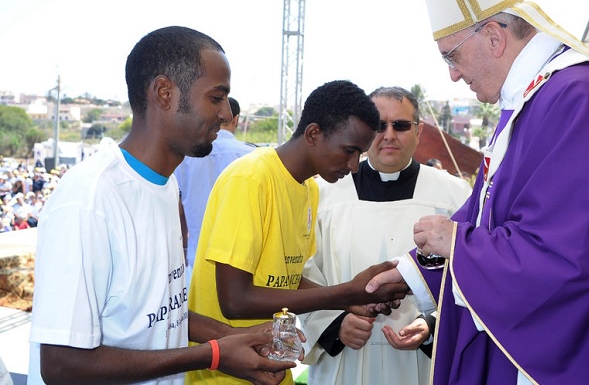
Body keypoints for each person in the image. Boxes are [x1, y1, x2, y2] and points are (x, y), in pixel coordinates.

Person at [366, 0, 589, 383]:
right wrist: (413, 271)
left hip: (581, 357)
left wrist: (455, 243)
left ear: (493, 36)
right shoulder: (535, 100)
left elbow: (577, 258)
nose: (452, 75)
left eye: (452, 56)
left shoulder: (578, 99)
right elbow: (489, 210)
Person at [28, 26, 300, 385]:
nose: (225, 114)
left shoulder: (167, 186)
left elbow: (157, 312)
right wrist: (216, 355)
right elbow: (62, 365)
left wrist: (233, 337)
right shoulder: (89, 200)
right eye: (216, 97)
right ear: (165, 93)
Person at [187, 80, 410, 384]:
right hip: (224, 373)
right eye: (349, 150)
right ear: (313, 133)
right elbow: (235, 300)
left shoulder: (309, 189)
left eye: (359, 153)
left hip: (271, 366)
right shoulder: (251, 179)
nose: (354, 165)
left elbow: (288, 279)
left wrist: (353, 298)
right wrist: (346, 292)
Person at [299, 86, 472, 385]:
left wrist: (433, 325)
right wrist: (334, 325)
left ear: (418, 132)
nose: (389, 135)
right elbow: (301, 272)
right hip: (344, 361)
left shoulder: (454, 196)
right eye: (379, 126)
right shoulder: (323, 195)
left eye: (401, 125)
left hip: (421, 363)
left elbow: (472, 276)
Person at [175, 95, 256, 282]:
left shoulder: (186, 157)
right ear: (235, 119)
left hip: (197, 261)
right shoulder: (253, 155)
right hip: (242, 266)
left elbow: (178, 207)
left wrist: (184, 247)